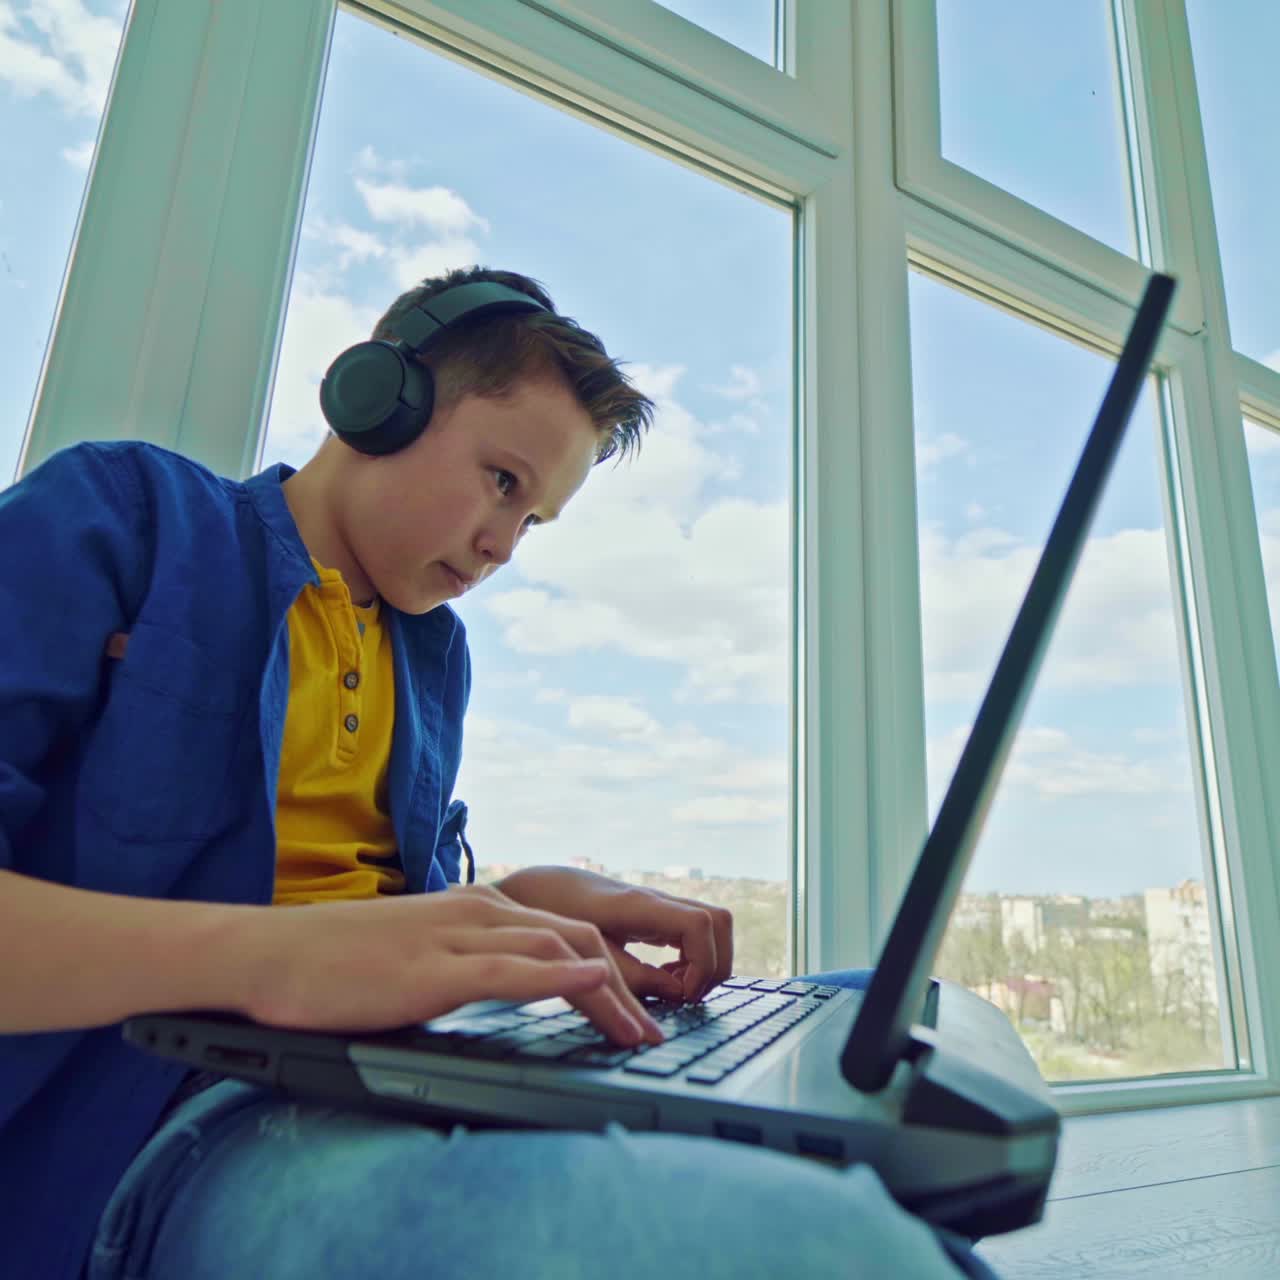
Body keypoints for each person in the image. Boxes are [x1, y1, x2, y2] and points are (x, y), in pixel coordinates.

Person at [0, 266, 999, 1279]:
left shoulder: (432, 653)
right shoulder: (125, 515)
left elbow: (388, 919)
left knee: (894, 1013)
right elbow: (318, 938)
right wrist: (276, 957)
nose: (504, 547)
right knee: (839, 1245)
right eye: (504, 483)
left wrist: (536, 906)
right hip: (167, 1118)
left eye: (533, 522)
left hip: (404, 1063)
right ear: (376, 400)